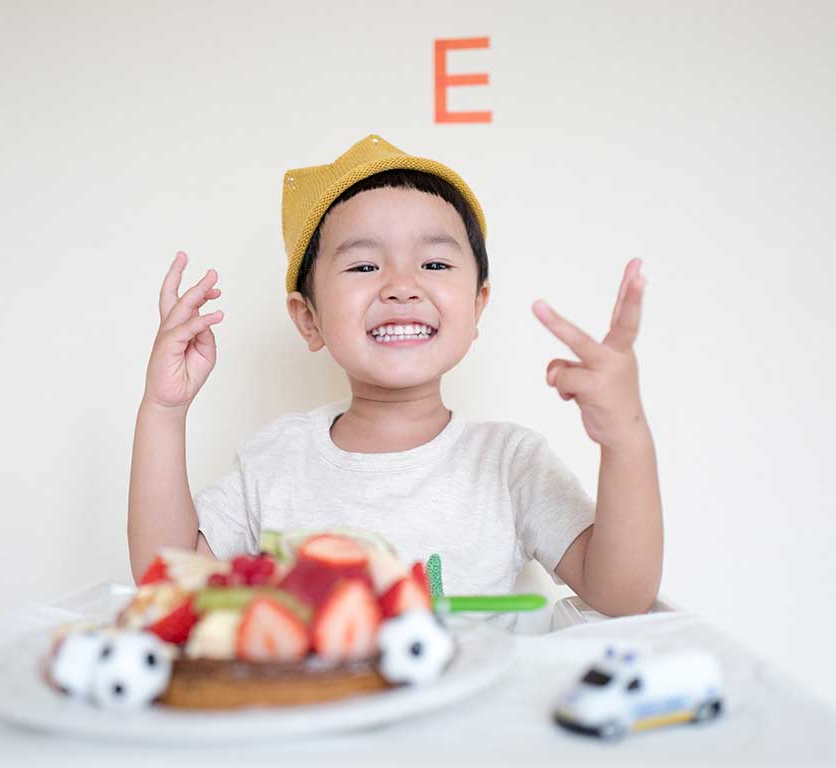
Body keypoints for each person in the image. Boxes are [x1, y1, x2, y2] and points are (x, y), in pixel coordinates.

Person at [127, 134, 663, 617]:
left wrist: (625, 436)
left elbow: (622, 595)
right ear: (308, 318)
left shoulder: (509, 463)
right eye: (363, 266)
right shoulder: (276, 461)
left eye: (434, 264)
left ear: (478, 307)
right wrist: (164, 411)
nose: (401, 286)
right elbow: (169, 585)